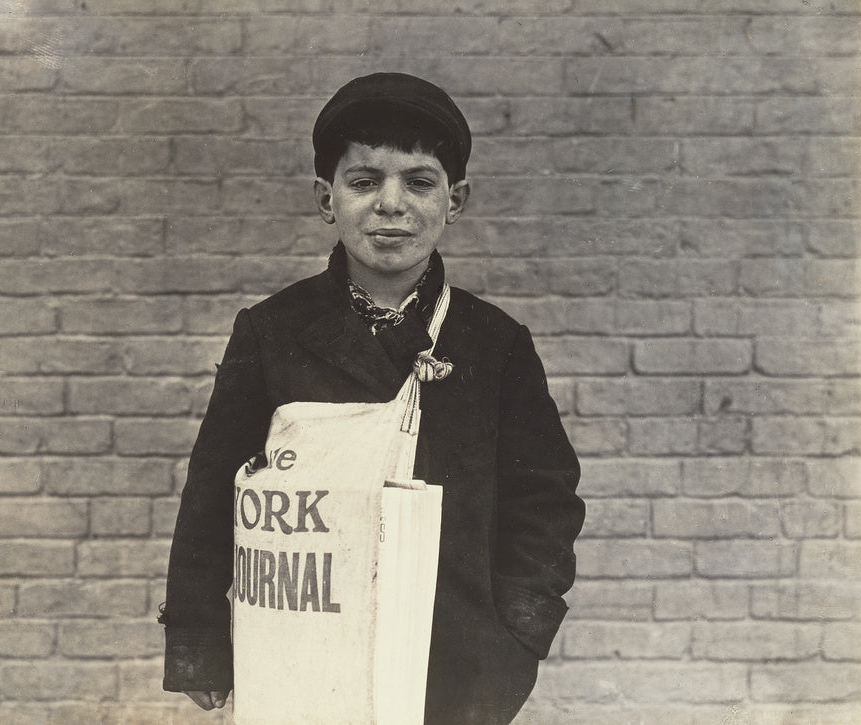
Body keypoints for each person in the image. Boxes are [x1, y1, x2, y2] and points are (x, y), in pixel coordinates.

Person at [159, 72, 584, 725]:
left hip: (450, 660)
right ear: (326, 199)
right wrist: (198, 639)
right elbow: (214, 490)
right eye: (364, 181)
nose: (392, 204)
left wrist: (516, 636)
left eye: (419, 181)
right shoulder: (271, 332)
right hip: (303, 652)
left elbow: (545, 501)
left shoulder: (494, 344)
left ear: (456, 199)